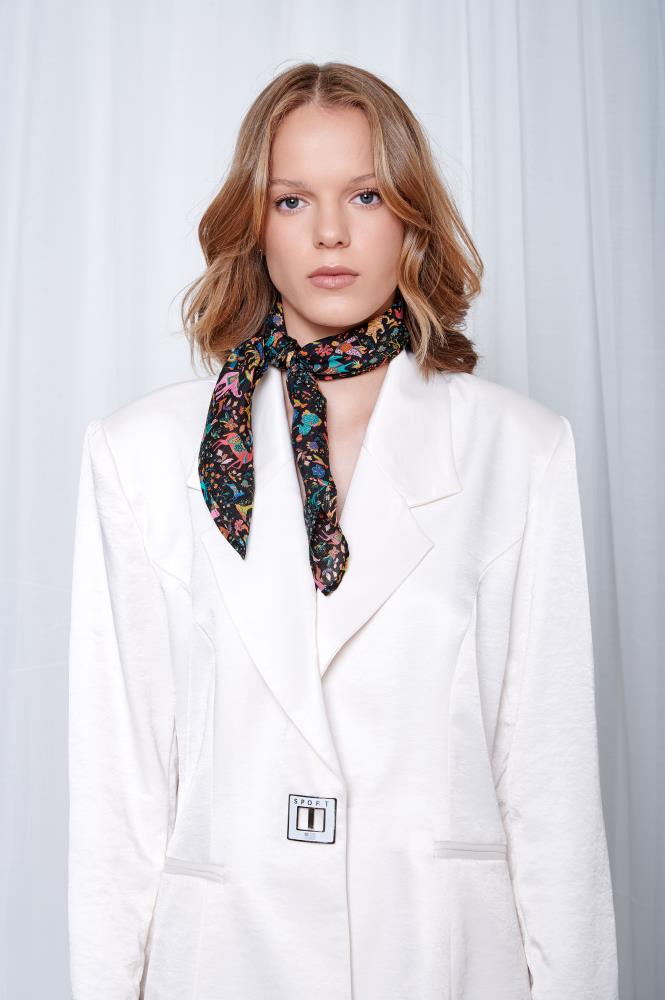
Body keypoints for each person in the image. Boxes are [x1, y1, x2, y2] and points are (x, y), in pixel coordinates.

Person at [67, 61, 619, 1000]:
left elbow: (550, 783)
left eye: (364, 194)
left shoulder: (517, 450)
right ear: (253, 226)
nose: (330, 232)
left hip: (439, 958)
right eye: (291, 200)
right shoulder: (141, 454)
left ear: (410, 215)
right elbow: (119, 792)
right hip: (225, 961)